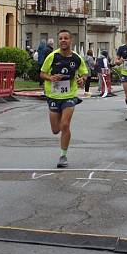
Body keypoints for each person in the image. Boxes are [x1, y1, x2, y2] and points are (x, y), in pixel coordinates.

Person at [40, 29, 88, 168]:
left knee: (65, 124)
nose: (63, 41)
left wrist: (82, 80)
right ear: (58, 41)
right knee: (56, 129)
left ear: (70, 40)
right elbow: (42, 74)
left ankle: (63, 155)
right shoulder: (52, 56)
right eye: (61, 38)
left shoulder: (76, 58)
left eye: (66, 38)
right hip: (53, 95)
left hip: (69, 95)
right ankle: (62, 132)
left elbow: (84, 73)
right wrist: (51, 77)